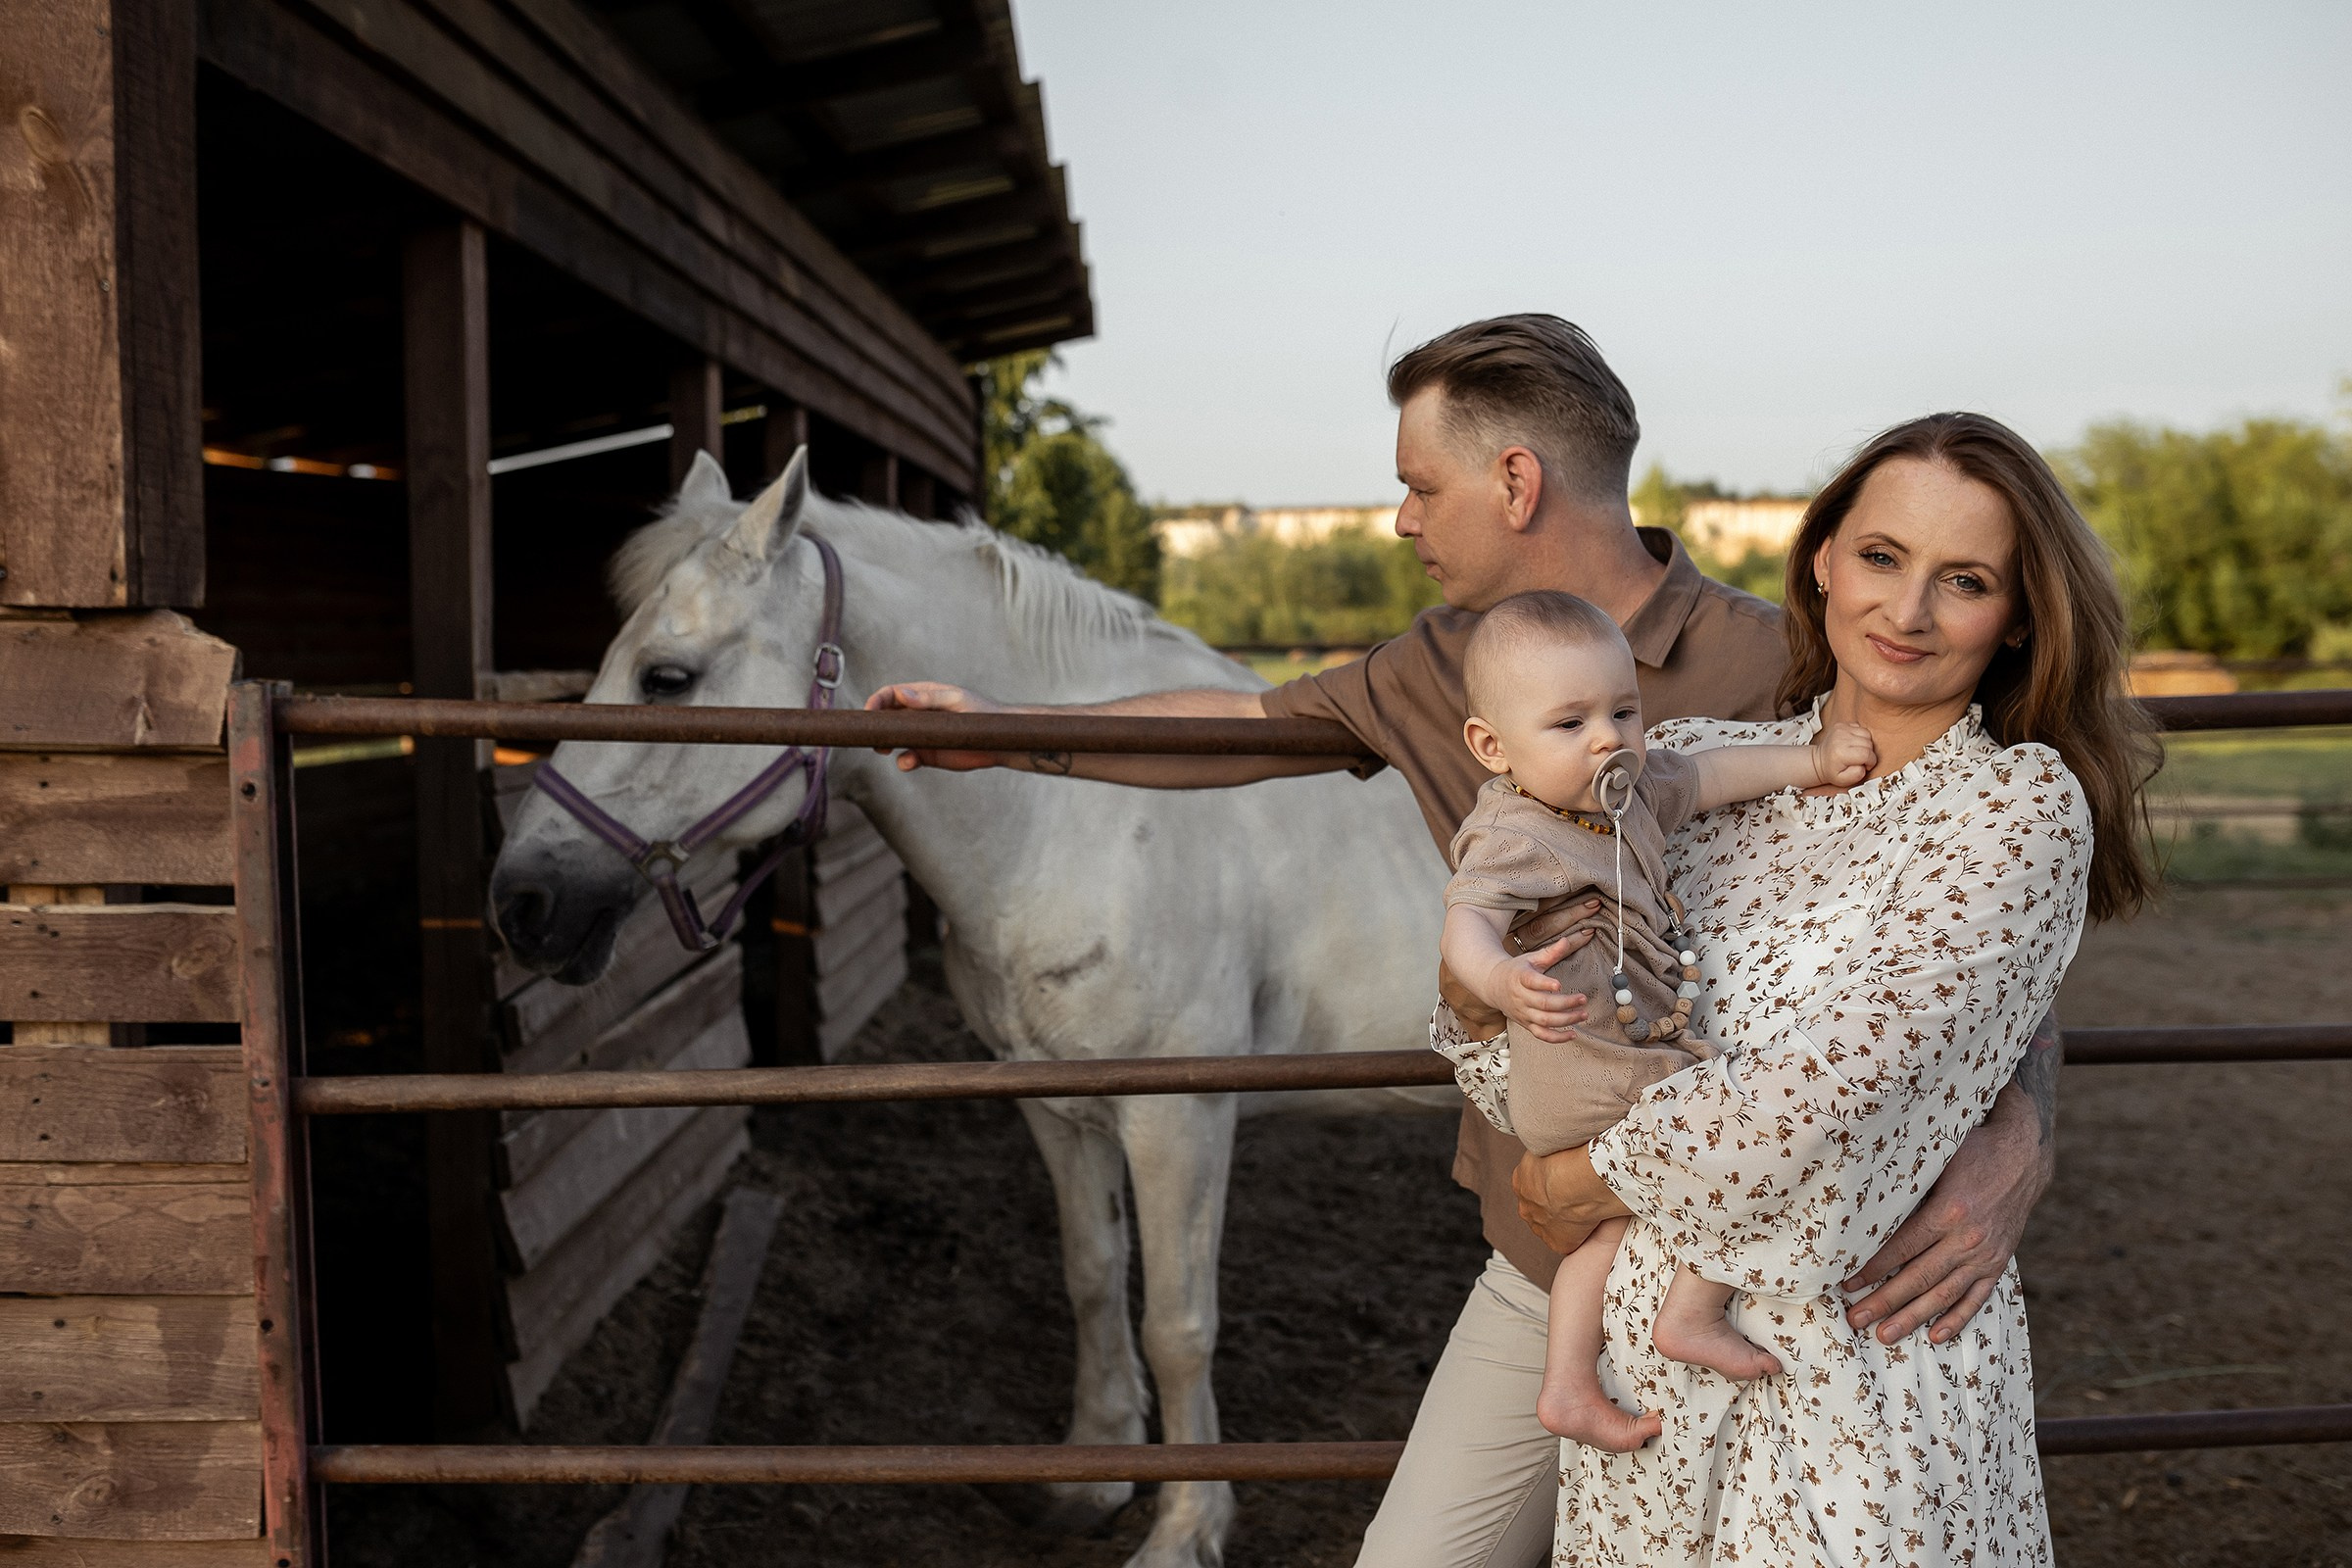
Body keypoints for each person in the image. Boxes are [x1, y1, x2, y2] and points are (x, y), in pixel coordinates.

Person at [864, 315, 2065, 1568]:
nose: (1400, 519)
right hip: (1551, 1248)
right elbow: (1241, 725)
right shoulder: (1443, 666)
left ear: (1515, 482)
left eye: (1416, 484)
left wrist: (2021, 1139)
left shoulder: (1786, 670)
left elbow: (1966, 957)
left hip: (1767, 1254)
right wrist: (1009, 730)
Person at [1504, 411, 2155, 1563]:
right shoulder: (1690, 770)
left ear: (2015, 622)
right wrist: (1523, 1031)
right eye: (1881, 557)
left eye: (1963, 580)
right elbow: (1507, 995)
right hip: (1639, 1391)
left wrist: (1579, 1168)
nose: (1906, 614)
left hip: (1856, 1387)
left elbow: (1824, 1101)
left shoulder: (2012, 811)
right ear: (1821, 559)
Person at [1437, 589, 1875, 1453]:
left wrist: (1813, 761)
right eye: (1570, 724)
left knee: (1607, 1227)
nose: (1609, 738)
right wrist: (1502, 977)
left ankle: (1566, 1384)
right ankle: (1693, 1307)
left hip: (1611, 1053)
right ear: (1494, 746)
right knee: (1735, 1125)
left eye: (1623, 710)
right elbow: (1467, 919)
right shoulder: (1515, 832)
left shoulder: (1629, 795)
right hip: (1578, 1059)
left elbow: (1709, 777)